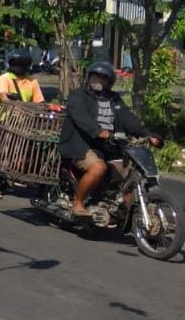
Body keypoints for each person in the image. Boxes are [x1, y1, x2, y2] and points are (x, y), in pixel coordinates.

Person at [60, 60, 161, 217]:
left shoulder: (115, 100)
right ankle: (78, 202)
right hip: (80, 143)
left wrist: (148, 135)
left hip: (108, 146)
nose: (98, 81)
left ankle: (121, 211)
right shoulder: (78, 96)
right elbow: (81, 118)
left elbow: (130, 120)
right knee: (98, 168)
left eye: (102, 78)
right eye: (95, 77)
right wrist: (98, 131)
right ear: (88, 78)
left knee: (129, 174)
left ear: (109, 82)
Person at [0, 50, 46, 199]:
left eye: (20, 64)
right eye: (14, 64)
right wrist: (17, 105)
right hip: (7, 121)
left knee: (35, 149)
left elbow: (40, 102)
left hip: (27, 122)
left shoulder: (32, 81)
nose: (17, 67)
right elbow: (3, 98)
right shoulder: (4, 78)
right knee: (0, 153)